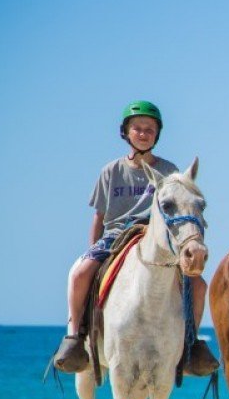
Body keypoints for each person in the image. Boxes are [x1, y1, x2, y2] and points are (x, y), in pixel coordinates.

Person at [53, 100, 218, 375]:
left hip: (157, 238)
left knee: (198, 284)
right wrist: (93, 250)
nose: (143, 134)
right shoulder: (111, 171)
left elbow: (181, 208)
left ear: (157, 134)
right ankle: (74, 337)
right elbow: (99, 216)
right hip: (116, 235)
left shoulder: (170, 170)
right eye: (137, 128)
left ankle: (191, 343)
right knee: (80, 273)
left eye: (149, 129)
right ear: (126, 132)